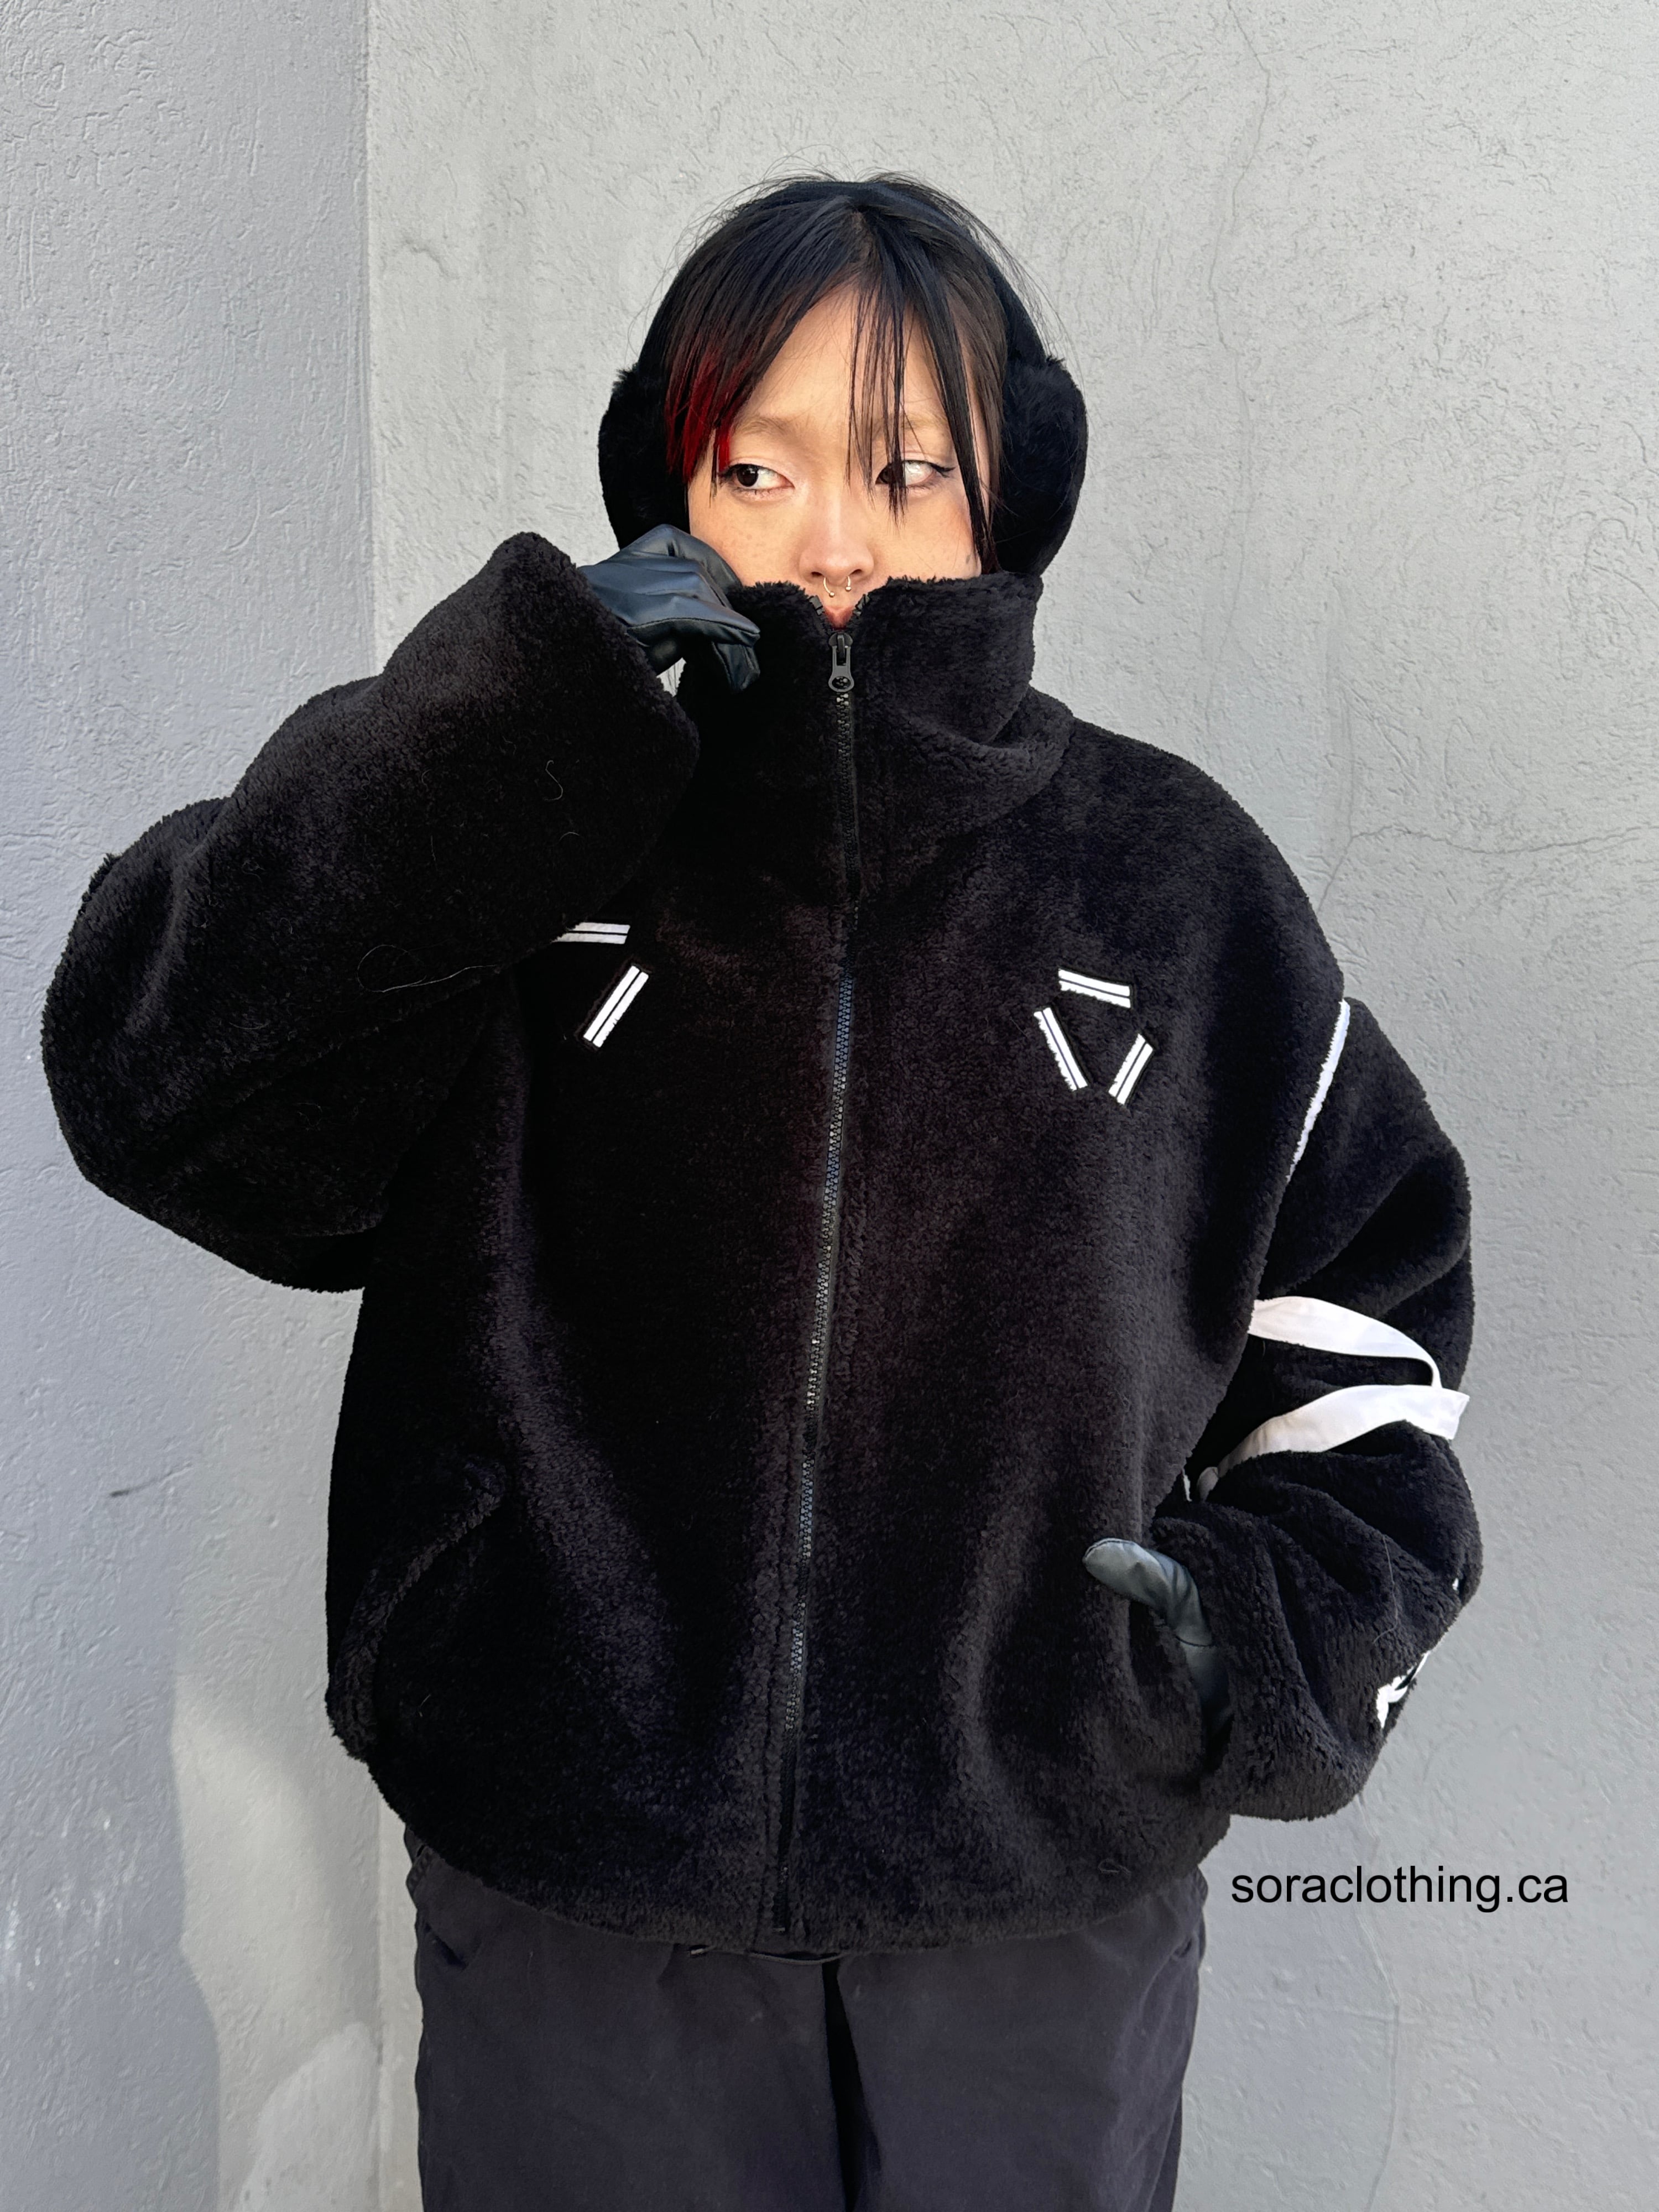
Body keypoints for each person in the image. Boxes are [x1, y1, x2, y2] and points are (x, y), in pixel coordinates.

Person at [41, 175, 1481, 2211]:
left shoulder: (1177, 887)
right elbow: (158, 1088)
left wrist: (1261, 1639)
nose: (833, 537)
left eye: (906, 469)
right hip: (573, 1884)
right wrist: (496, 727)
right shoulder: (522, 837)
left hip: (1035, 1901)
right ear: (671, 489)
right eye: (758, 466)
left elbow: (1372, 1311)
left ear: (1006, 497)